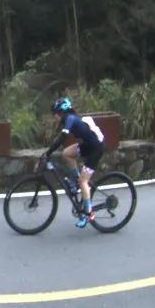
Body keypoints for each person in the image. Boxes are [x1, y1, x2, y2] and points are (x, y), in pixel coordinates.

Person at [43, 97, 105, 228]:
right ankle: (76, 181)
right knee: (66, 154)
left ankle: (89, 214)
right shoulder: (70, 119)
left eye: (55, 114)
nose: (54, 117)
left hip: (96, 149)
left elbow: (62, 137)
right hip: (88, 145)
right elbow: (61, 138)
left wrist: (48, 153)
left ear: (60, 112)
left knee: (84, 181)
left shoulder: (70, 118)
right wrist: (49, 151)